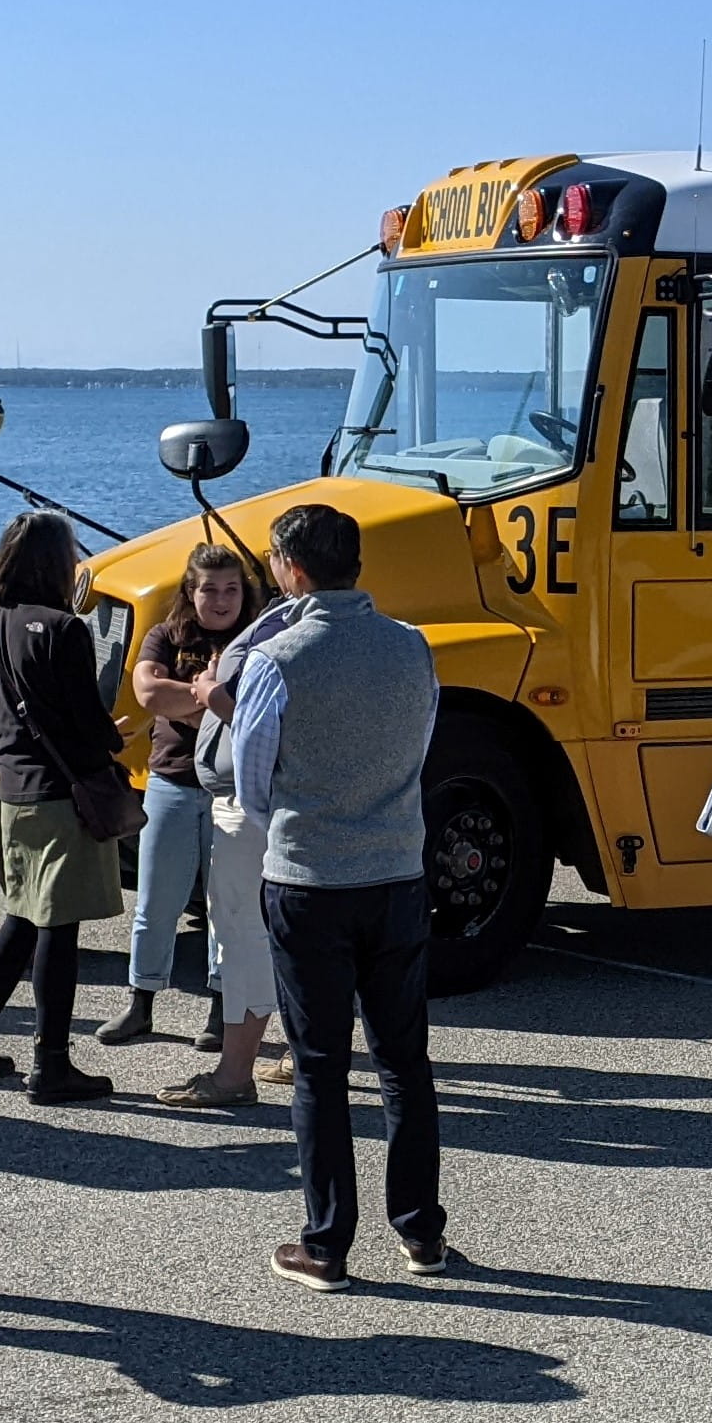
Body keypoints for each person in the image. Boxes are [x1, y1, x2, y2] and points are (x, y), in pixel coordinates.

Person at [228, 501, 448, 1290]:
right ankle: (420, 1230)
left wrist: (303, 818)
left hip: (310, 877)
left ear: (291, 567)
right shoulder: (411, 645)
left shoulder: (276, 658)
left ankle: (326, 1243)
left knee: (321, 1065)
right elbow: (420, 742)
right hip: (396, 870)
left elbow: (252, 777)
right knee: (404, 1058)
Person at [0, 512, 123, 1105]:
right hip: (60, 795)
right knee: (57, 926)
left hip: (12, 792)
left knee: (21, 920)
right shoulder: (64, 629)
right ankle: (51, 1062)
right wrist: (113, 739)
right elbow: (86, 722)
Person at [103, 543, 259, 1049]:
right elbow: (148, 693)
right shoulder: (166, 635)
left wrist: (187, 699)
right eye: (209, 589)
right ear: (190, 592)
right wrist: (210, 696)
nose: (221, 600)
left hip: (231, 791)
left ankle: (221, 1009)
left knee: (226, 905)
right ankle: (141, 1003)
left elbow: (253, 707)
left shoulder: (255, 638)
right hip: (170, 782)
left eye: (231, 589)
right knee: (156, 901)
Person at [169, 590, 294, 1108]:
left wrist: (208, 690)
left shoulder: (284, 632)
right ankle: (301, 1053)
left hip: (251, 810)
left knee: (242, 939)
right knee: (294, 936)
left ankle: (234, 1075)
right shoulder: (371, 633)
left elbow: (255, 721)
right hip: (273, 809)